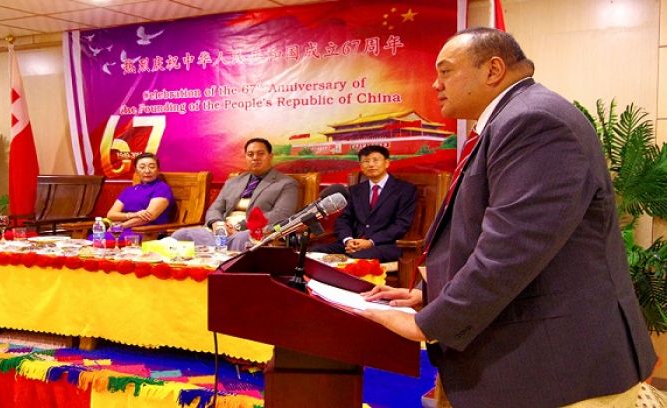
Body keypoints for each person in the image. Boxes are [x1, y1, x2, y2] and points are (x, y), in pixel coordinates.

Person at [358, 27, 656, 407]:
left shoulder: (534, 122)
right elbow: (486, 235)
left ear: (493, 69)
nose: (435, 85)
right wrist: (428, 295)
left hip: (558, 371)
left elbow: (509, 252)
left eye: (445, 71)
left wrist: (426, 323)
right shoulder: (513, 119)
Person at [172, 138, 298, 251]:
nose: (255, 158)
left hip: (249, 232)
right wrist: (217, 224)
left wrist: (240, 226)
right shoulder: (233, 181)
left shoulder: (286, 184)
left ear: (270, 156)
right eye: (250, 154)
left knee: (242, 239)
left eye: (261, 154)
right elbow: (215, 208)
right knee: (180, 236)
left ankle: (225, 273)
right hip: (221, 232)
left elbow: (281, 214)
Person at [311, 145, 416, 262]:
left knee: (354, 258)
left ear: (386, 163)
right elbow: (344, 219)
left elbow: (401, 224)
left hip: (384, 245)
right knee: (313, 252)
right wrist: (348, 240)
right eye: (366, 161)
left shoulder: (405, 189)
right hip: (353, 244)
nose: (371, 165)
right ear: (361, 166)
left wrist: (370, 242)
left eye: (375, 160)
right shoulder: (355, 190)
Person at [106, 152, 174, 231]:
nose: (147, 171)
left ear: (158, 170)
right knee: (94, 238)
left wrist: (122, 226)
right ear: (136, 170)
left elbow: (148, 217)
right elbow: (111, 215)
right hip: (124, 228)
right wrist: (133, 215)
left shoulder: (161, 188)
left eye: (152, 167)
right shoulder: (129, 190)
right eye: (142, 167)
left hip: (147, 231)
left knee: (104, 240)